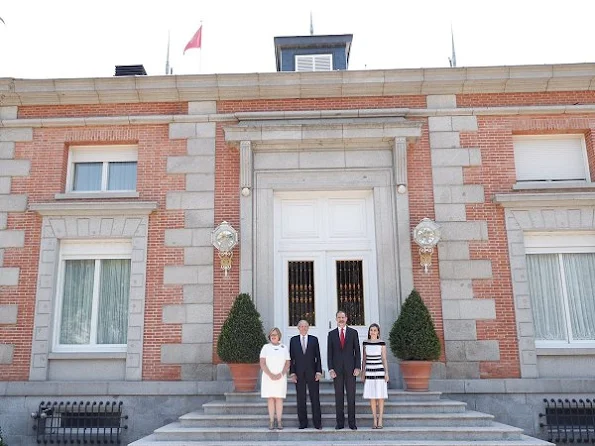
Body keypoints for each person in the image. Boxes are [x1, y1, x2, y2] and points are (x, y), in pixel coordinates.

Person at [327, 310, 361, 430]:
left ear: (346, 318)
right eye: (339, 317)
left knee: (351, 397)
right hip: (337, 370)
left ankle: (352, 423)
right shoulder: (331, 334)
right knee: (339, 396)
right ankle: (340, 423)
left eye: (343, 317)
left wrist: (358, 367)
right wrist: (330, 369)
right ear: (336, 319)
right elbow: (329, 353)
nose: (341, 319)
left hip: (351, 369)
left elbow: (357, 351)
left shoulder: (353, 332)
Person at [289, 320, 322, 430]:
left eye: (305, 326)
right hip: (298, 374)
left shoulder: (314, 339)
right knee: (301, 398)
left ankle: (317, 423)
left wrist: (319, 371)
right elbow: (291, 358)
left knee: (315, 398)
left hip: (312, 373)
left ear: (308, 328)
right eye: (301, 326)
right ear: (298, 328)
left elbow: (318, 357)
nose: (303, 328)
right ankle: (303, 423)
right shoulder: (293, 340)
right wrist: (292, 373)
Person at [260, 327, 291, 430]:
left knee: (279, 398)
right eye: (272, 335)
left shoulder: (284, 347)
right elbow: (262, 363)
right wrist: (270, 374)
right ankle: (271, 421)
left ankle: (279, 421)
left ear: (279, 336)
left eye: (275, 335)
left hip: (280, 377)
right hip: (268, 377)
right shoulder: (265, 347)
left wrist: (281, 374)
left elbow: (287, 363)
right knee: (270, 398)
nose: (273, 336)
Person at [361, 323, 389, 429]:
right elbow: (364, 359)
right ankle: (374, 420)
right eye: (371, 330)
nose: (372, 332)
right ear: (369, 332)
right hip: (369, 371)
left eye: (375, 330)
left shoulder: (382, 343)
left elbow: (384, 358)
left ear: (378, 332)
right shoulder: (365, 343)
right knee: (372, 396)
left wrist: (387, 372)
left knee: (380, 396)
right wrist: (363, 372)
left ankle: (380, 419)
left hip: (380, 371)